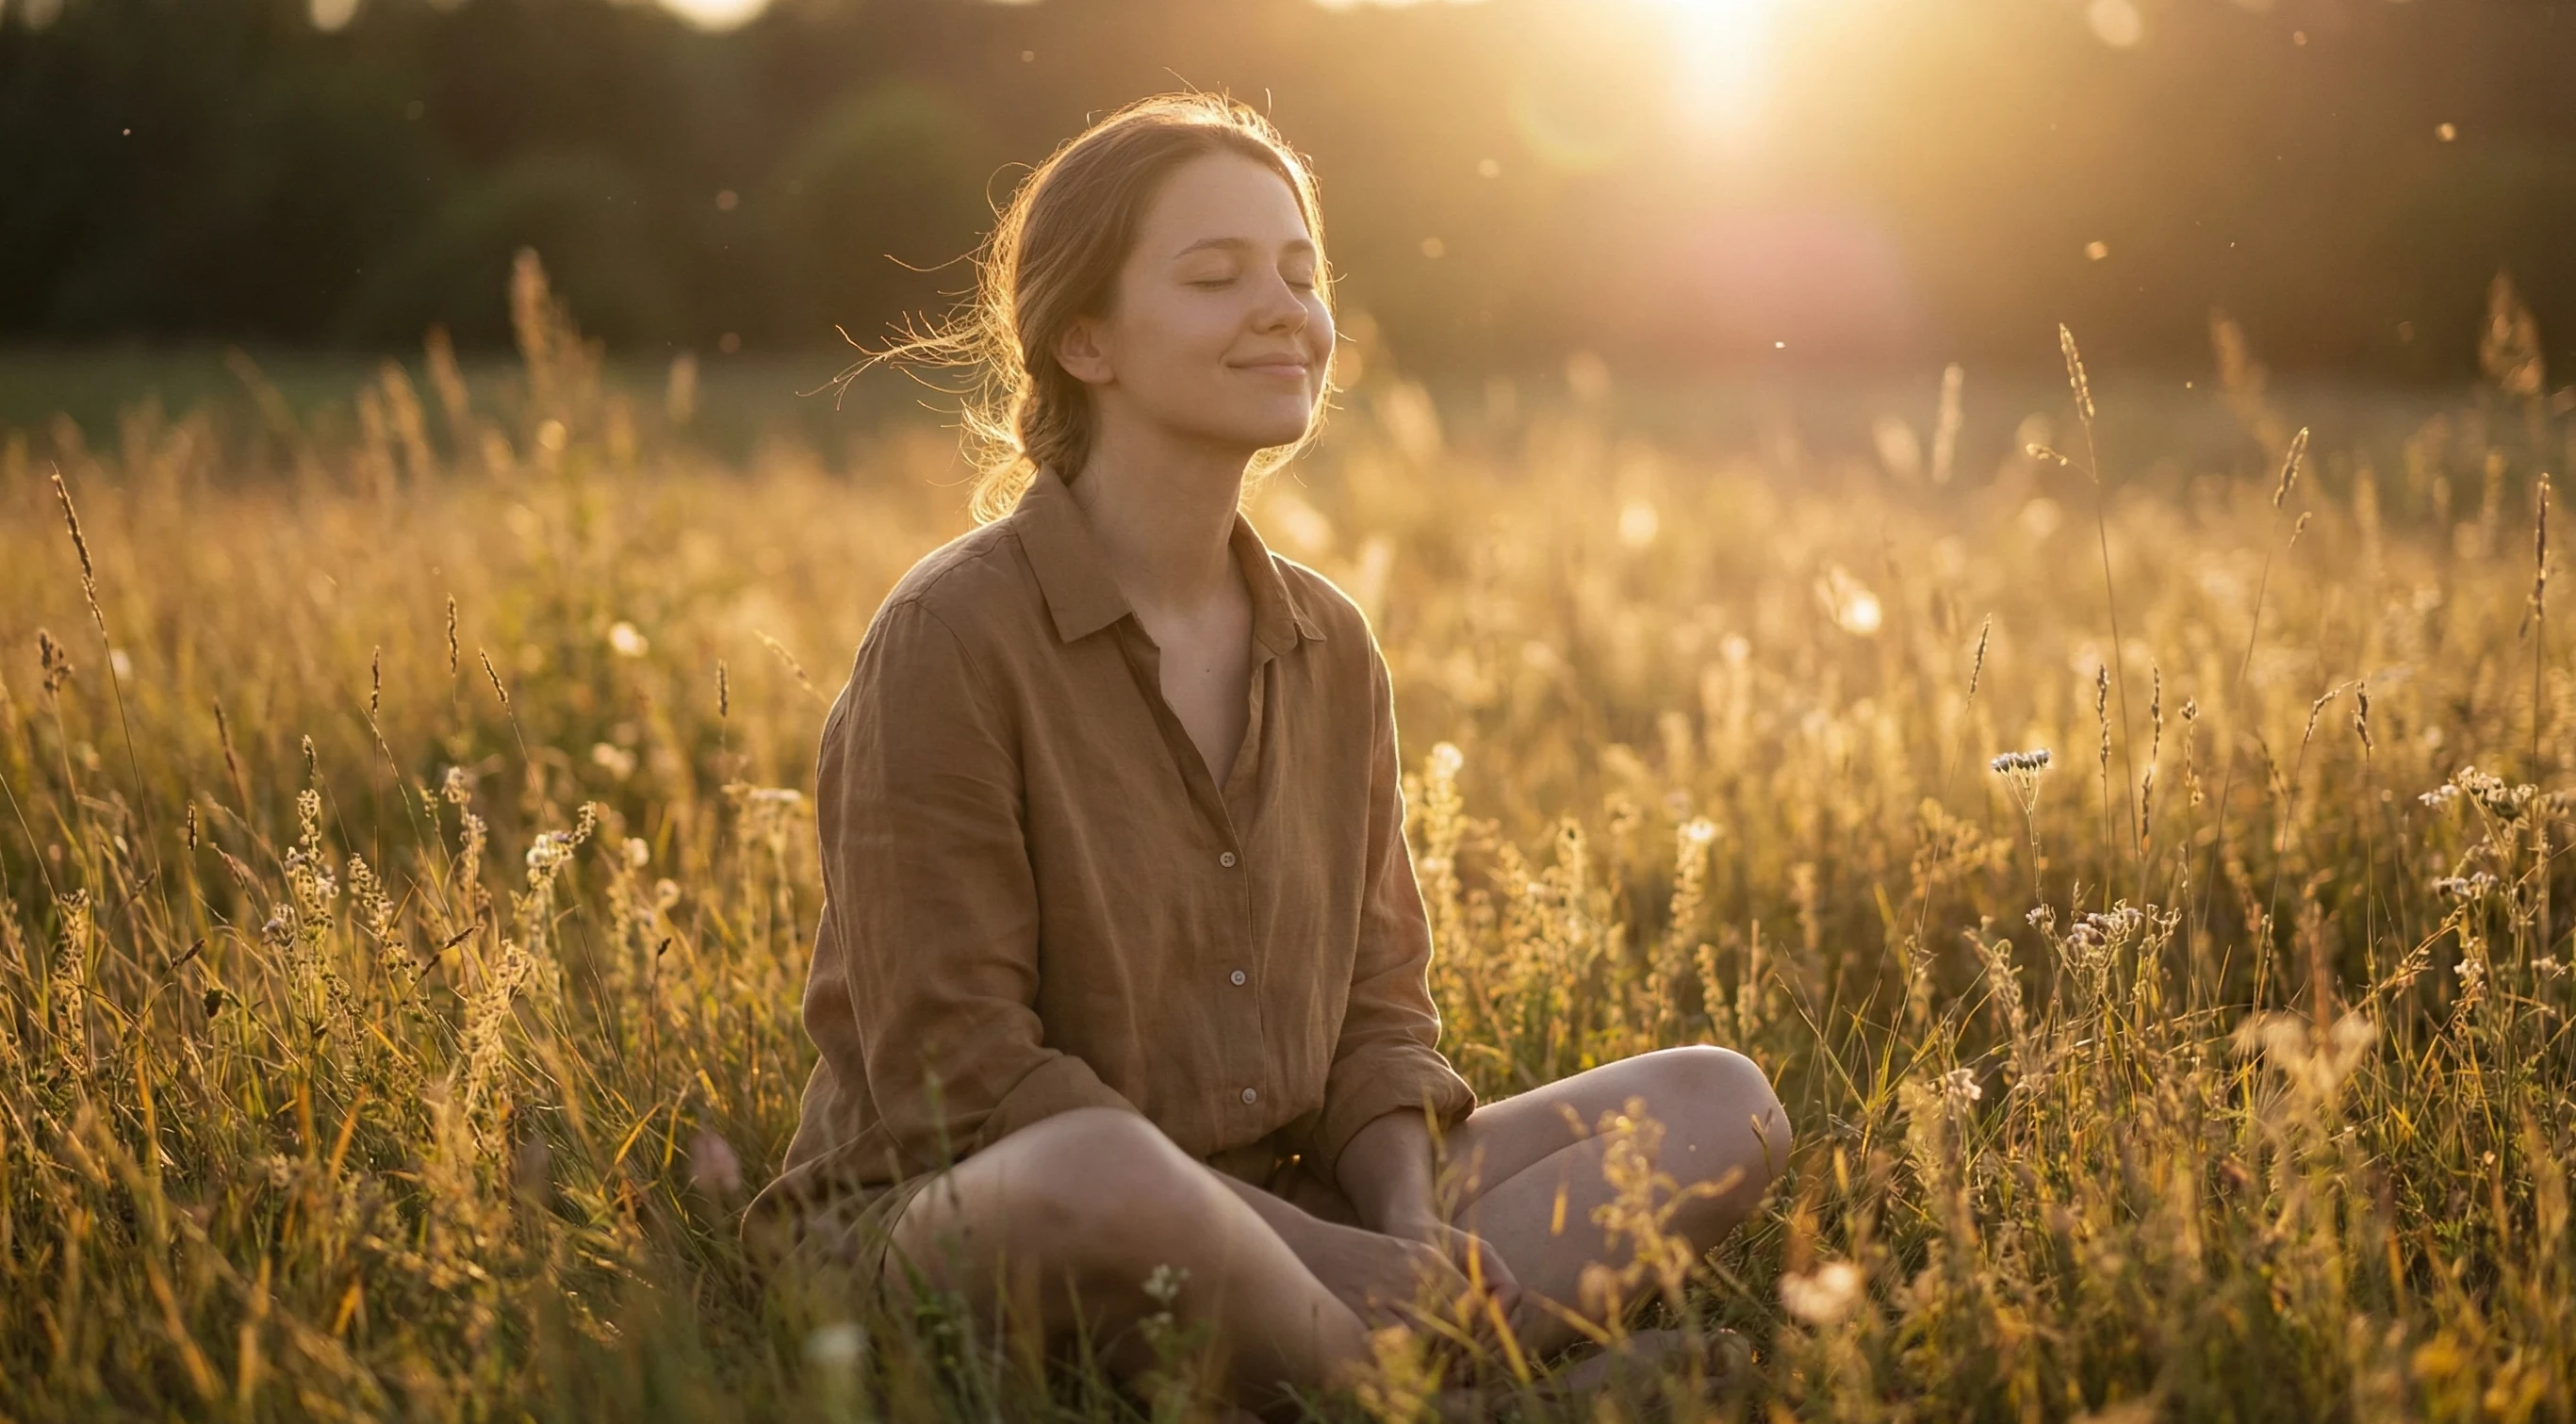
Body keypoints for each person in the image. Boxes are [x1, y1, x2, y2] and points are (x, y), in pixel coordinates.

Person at [744, 91, 1791, 1413]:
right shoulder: (948, 638)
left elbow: (1379, 1013)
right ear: (1084, 338)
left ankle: (1355, 1351)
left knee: (1717, 1103)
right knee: (1103, 1172)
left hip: (1292, 1195)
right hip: (986, 1212)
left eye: (1301, 273)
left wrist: (1408, 1235)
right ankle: (1467, 1399)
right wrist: (1339, 1258)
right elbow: (959, 1075)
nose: (1284, 308)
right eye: (1216, 276)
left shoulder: (1330, 643)